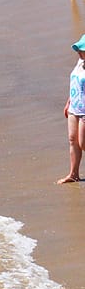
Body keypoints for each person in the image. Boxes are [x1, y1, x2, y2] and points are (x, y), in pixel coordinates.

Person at [55, 35, 85, 182]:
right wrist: (69, 102)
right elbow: (75, 83)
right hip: (74, 106)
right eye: (79, 50)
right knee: (72, 141)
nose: (79, 52)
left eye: (82, 50)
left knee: (83, 142)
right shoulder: (80, 62)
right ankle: (73, 175)